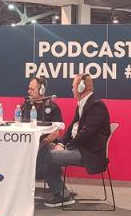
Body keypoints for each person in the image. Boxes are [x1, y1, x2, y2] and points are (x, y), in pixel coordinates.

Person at [37, 73, 111, 208]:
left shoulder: (96, 106)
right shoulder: (82, 104)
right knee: (45, 149)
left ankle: (61, 195)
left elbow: (86, 134)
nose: (72, 90)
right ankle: (61, 192)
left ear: (82, 88)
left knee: (46, 156)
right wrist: (61, 143)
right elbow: (72, 127)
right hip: (79, 148)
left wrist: (67, 147)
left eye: (73, 87)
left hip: (89, 153)